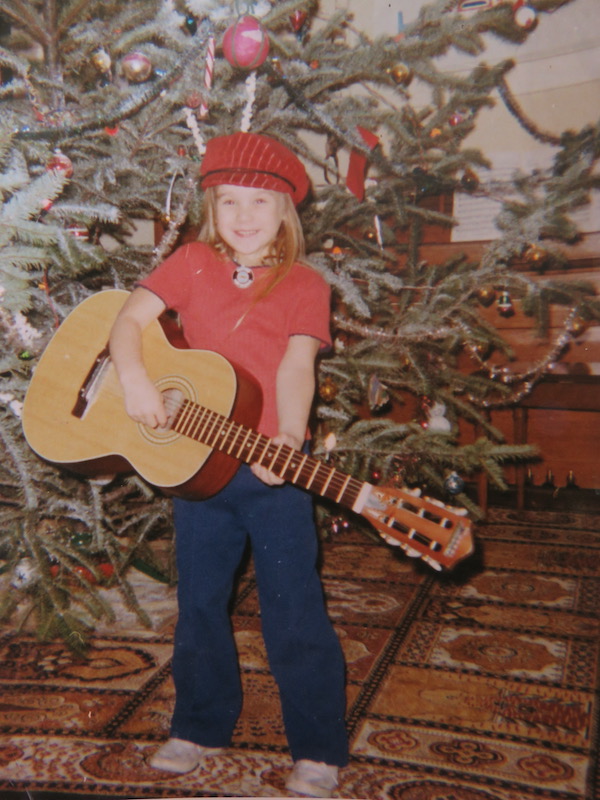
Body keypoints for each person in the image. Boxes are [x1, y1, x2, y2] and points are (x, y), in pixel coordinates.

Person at [108, 131, 349, 798]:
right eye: (230, 202)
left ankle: (319, 744)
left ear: (285, 213)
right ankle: (199, 725)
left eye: (262, 202)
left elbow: (298, 364)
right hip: (195, 470)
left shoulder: (305, 282)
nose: (245, 216)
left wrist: (292, 436)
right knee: (201, 603)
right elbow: (127, 322)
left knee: (294, 606)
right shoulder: (188, 263)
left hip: (271, 475)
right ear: (211, 209)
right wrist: (133, 379)